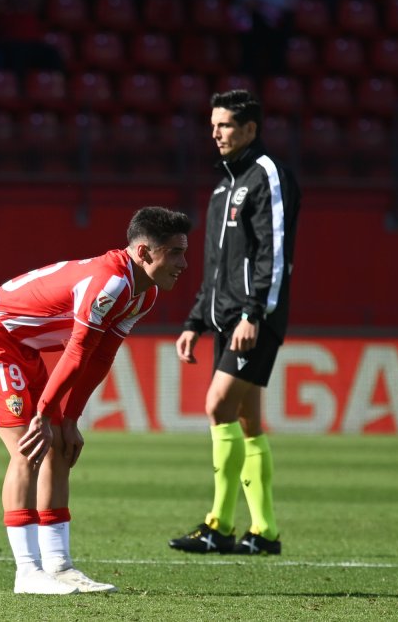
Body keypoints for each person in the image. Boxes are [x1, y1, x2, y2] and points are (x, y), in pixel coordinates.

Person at [0, 207, 192, 594]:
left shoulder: (143, 295)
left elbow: (100, 357)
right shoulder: (111, 282)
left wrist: (69, 418)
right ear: (145, 252)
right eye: (175, 252)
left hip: (21, 348)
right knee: (30, 449)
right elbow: (78, 351)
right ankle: (27, 572)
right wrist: (46, 414)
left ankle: (59, 566)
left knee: (60, 447)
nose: (184, 263)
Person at [168, 89, 301, 556]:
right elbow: (216, 266)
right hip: (227, 317)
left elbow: (274, 251)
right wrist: (194, 321)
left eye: (225, 125)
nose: (215, 133)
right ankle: (264, 531)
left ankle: (218, 526)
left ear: (250, 129)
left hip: (254, 319)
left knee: (217, 406)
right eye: (213, 124)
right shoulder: (225, 186)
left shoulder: (267, 174)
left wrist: (253, 313)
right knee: (246, 420)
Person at [229, 0, 308, 82]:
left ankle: (277, 92)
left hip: (282, 12)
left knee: (278, 57)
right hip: (254, 10)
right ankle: (250, 92)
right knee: (251, 57)